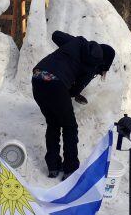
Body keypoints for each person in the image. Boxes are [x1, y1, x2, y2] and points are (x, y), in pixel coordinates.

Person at [31, 31, 115, 179]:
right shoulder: (94, 63)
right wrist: (72, 92)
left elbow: (55, 34)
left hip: (38, 77)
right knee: (70, 126)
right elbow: (76, 89)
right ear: (104, 61)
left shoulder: (79, 42)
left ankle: (53, 166)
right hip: (56, 84)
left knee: (53, 123)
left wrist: (69, 46)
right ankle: (70, 168)